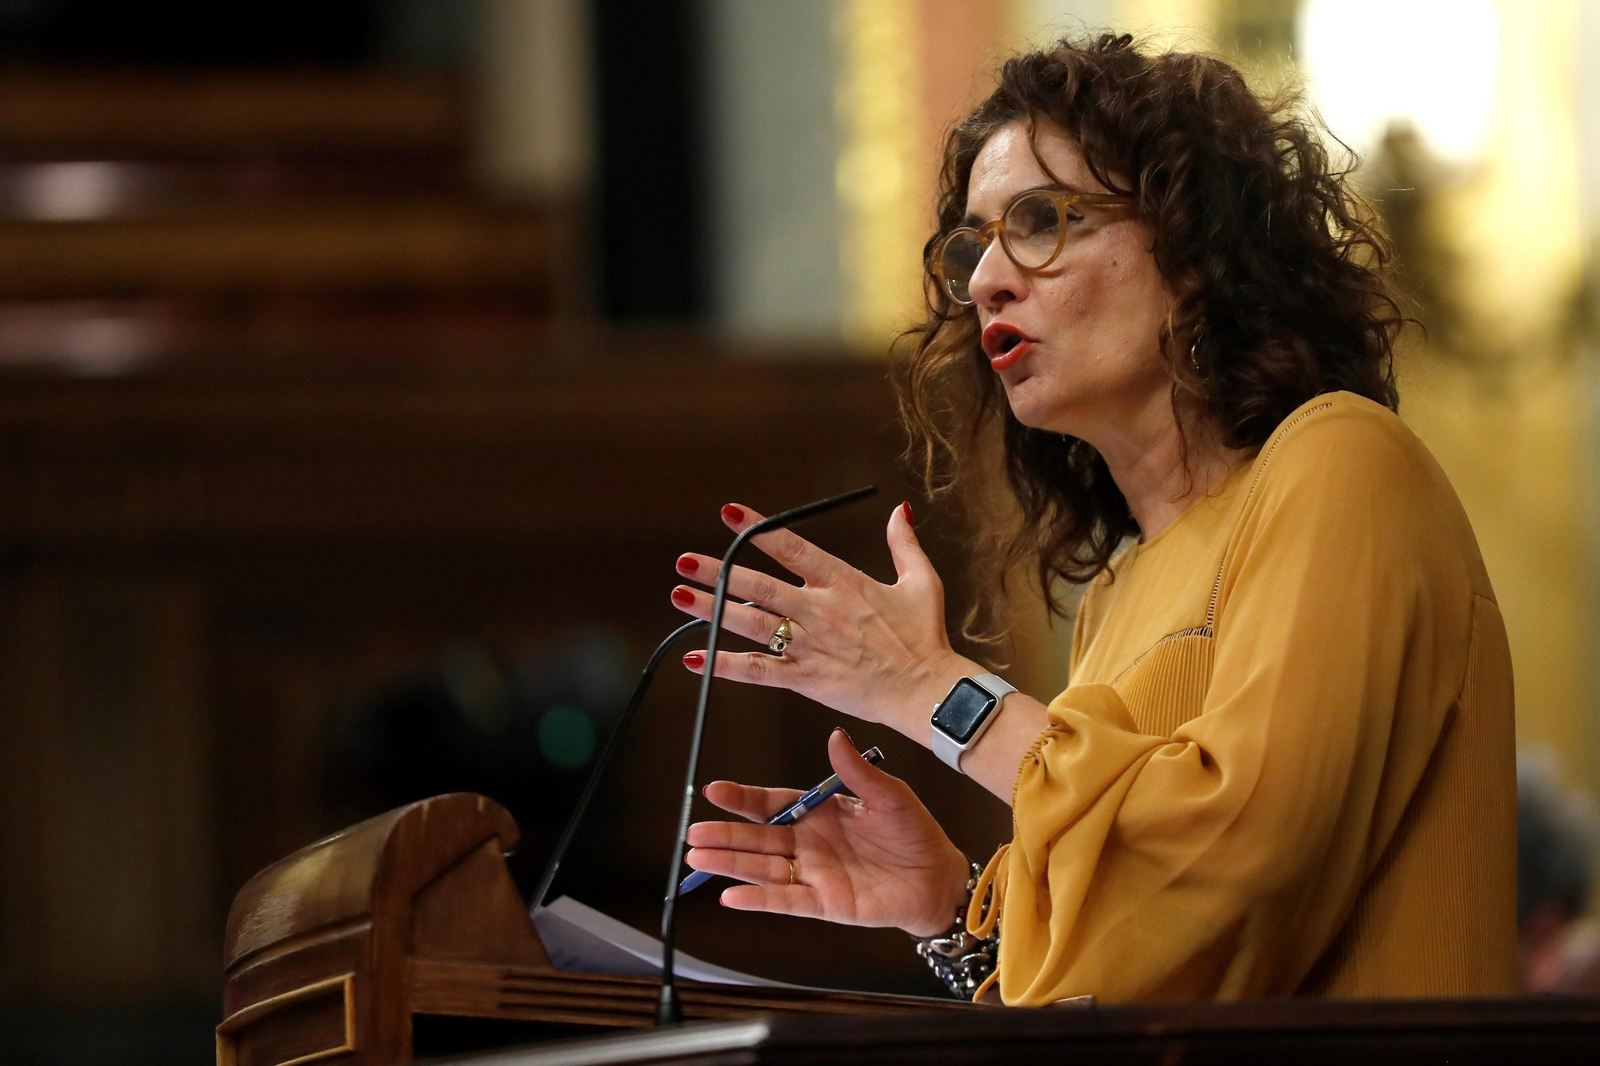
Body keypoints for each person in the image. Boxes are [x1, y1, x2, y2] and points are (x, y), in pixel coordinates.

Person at [668, 34, 1517, 1003]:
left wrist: (931, 690)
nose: (987, 276)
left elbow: (1238, 861)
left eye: (1039, 220)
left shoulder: (1343, 465)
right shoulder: (1121, 595)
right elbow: (1136, 955)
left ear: (1193, 247)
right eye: (974, 244)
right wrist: (951, 901)